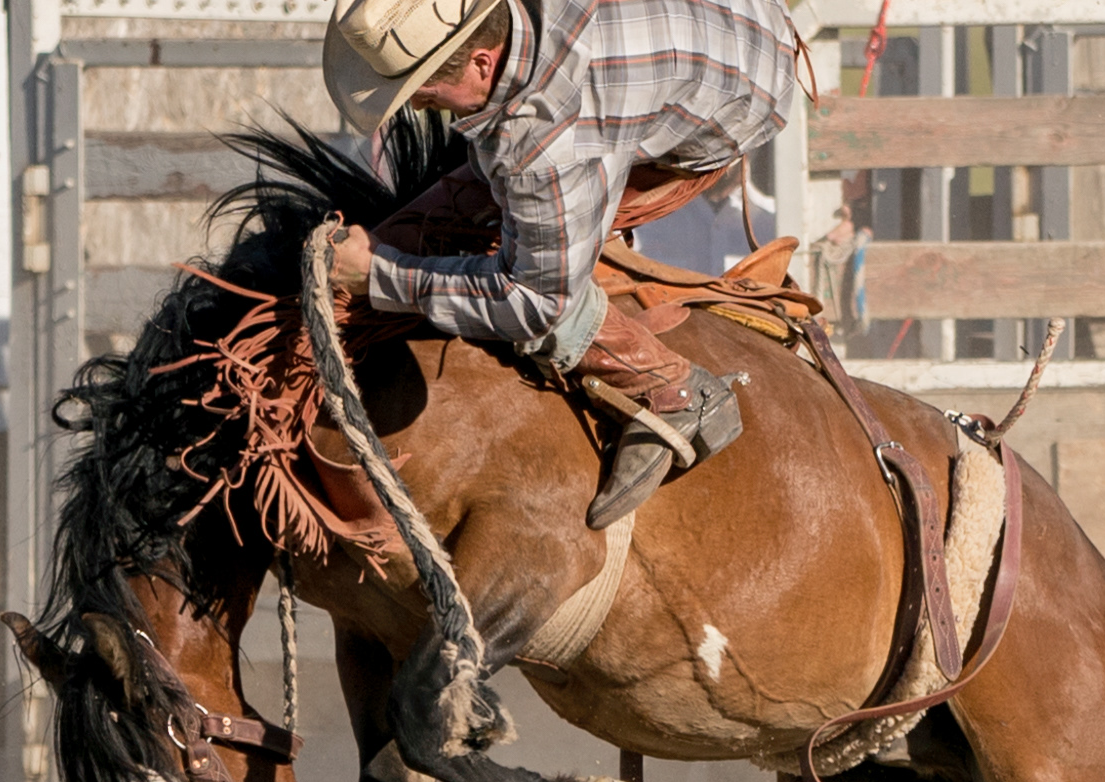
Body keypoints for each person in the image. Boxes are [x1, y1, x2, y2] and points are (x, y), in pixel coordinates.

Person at [323, 0, 797, 527]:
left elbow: (534, 303)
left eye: (427, 89)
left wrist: (378, 275)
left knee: (540, 283)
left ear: (482, 61)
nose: (419, 104)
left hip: (744, 100)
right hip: (747, 13)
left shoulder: (546, 147)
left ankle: (669, 388)